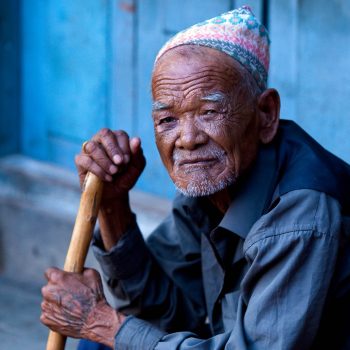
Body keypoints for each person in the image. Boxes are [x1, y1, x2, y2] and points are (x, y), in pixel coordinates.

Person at [41, 6, 350, 350]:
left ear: (265, 114)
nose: (188, 139)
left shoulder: (300, 216)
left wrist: (102, 325)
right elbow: (163, 313)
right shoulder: (209, 188)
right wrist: (112, 208)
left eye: (209, 112)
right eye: (167, 120)